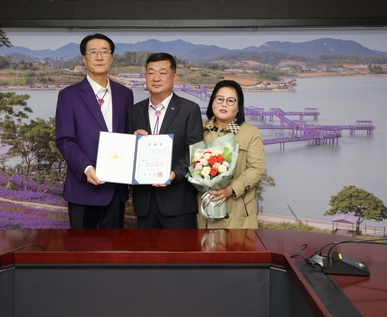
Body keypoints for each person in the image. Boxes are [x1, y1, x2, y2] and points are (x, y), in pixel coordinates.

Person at [55, 33, 134, 228]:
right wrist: (87, 168)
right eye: (93, 52)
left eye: (104, 52)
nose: (99, 57)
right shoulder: (69, 95)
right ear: (84, 58)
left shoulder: (125, 94)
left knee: (114, 246)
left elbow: (127, 134)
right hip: (83, 188)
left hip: (115, 190)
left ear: (111, 57)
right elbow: (65, 139)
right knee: (82, 246)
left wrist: (136, 137)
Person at [126, 52, 203, 228]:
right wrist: (132, 143)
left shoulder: (189, 109)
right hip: (145, 204)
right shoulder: (134, 111)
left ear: (174, 76)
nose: (156, 78)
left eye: (162, 72)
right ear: (145, 76)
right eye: (151, 72)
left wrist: (174, 174)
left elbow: (195, 152)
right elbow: (128, 155)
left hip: (178, 203)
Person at [198, 80, 266, 229]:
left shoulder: (250, 132)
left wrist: (231, 189)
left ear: (238, 107)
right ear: (212, 102)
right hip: (203, 212)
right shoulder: (198, 128)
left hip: (237, 214)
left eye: (230, 101)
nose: (224, 104)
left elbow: (257, 168)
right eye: (219, 99)